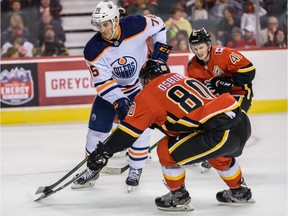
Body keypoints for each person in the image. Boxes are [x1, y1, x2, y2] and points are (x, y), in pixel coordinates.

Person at [85, 59, 255, 211]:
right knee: (213, 154)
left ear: (146, 79)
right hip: (240, 124)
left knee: (166, 149)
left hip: (219, 134)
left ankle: (178, 196)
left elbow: (128, 132)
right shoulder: (181, 78)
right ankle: (239, 191)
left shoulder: (148, 93)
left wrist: (104, 151)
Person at [71, 1, 172, 191]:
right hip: (110, 94)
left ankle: (136, 168)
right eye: (99, 25)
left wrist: (159, 52)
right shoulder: (93, 49)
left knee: (139, 129)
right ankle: (92, 169)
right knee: (96, 131)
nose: (103, 29)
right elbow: (103, 83)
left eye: (106, 24)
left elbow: (159, 24)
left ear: (116, 20)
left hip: (137, 89)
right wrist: (119, 101)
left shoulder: (136, 25)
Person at [187, 27, 256, 169]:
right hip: (218, 99)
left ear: (208, 44)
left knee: (234, 121)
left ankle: (225, 155)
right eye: (195, 48)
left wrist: (228, 80)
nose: (198, 51)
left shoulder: (224, 54)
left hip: (239, 93)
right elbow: (199, 90)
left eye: (201, 47)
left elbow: (249, 71)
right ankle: (211, 152)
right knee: (207, 122)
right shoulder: (192, 67)